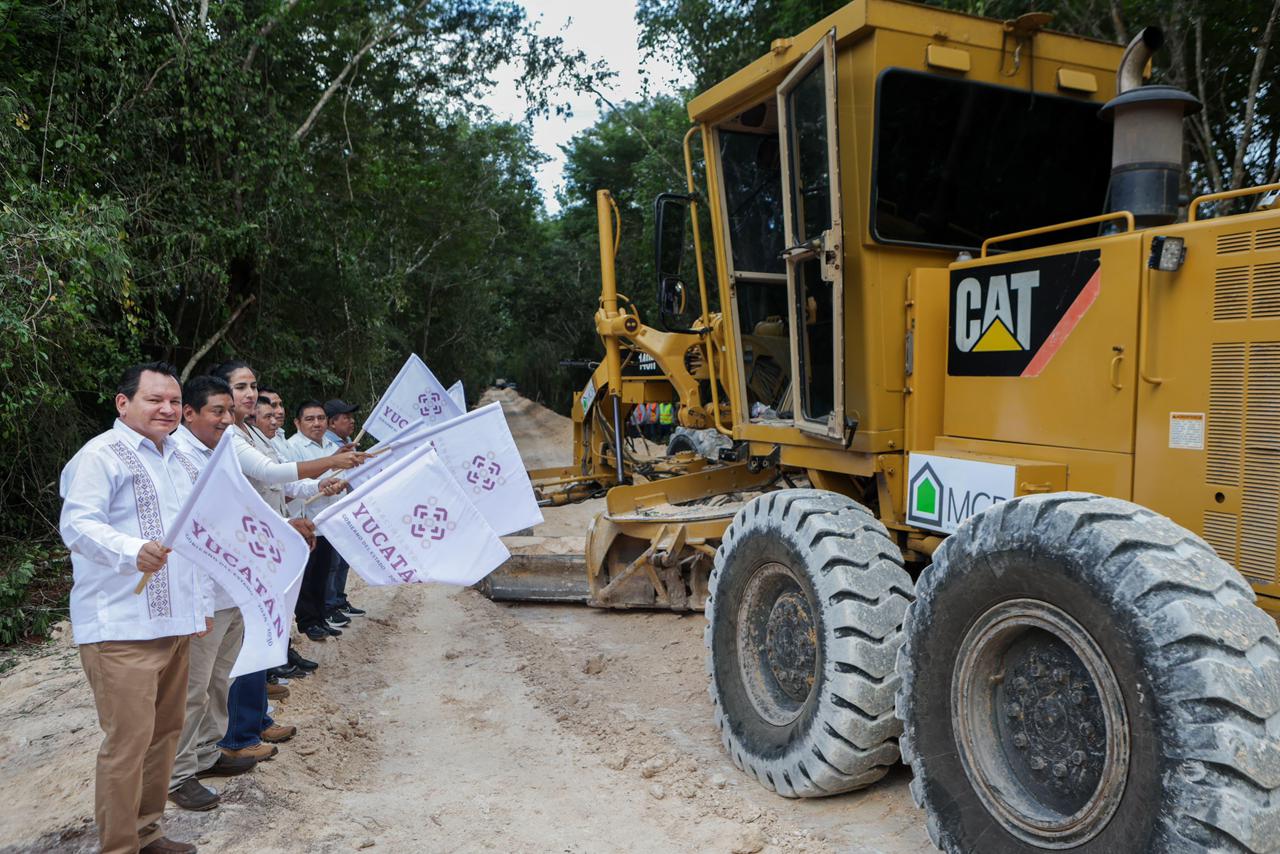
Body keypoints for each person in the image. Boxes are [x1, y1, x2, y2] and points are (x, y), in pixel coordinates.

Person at [59, 361, 210, 854]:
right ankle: (119, 846)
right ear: (123, 403)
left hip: (176, 623)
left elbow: (198, 536)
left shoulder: (182, 458)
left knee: (165, 735)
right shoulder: (100, 455)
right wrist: (131, 550)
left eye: (174, 401)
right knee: (127, 744)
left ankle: (148, 832)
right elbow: (78, 524)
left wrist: (202, 604)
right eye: (154, 399)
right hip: (122, 629)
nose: (167, 409)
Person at [210, 361, 364, 763]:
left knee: (260, 636)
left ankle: (255, 719)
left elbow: (284, 485)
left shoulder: (251, 434)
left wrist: (320, 483)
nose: (249, 394)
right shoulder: (228, 438)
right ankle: (238, 734)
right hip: (248, 550)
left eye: (253, 386)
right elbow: (269, 472)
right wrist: (331, 463)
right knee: (243, 644)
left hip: (266, 547)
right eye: (240, 387)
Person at [286, 400, 347, 641]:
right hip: (306, 522)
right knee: (306, 577)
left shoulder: (332, 446)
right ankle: (308, 622)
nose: (317, 423)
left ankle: (322, 618)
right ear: (297, 422)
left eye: (321, 418)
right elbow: (294, 481)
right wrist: (323, 477)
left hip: (329, 522)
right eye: (310, 419)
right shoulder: (293, 447)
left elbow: (340, 476)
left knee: (324, 574)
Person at [321, 399, 364, 620]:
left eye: (351, 417)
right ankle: (329, 606)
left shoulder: (348, 444)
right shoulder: (328, 446)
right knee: (331, 563)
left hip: (347, 509)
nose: (351, 421)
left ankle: (338, 599)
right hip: (330, 511)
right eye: (346, 417)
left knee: (344, 559)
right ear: (332, 423)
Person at [258, 387, 290, 460]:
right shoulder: (262, 438)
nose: (281, 411)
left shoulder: (280, 433)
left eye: (281, 405)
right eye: (273, 405)